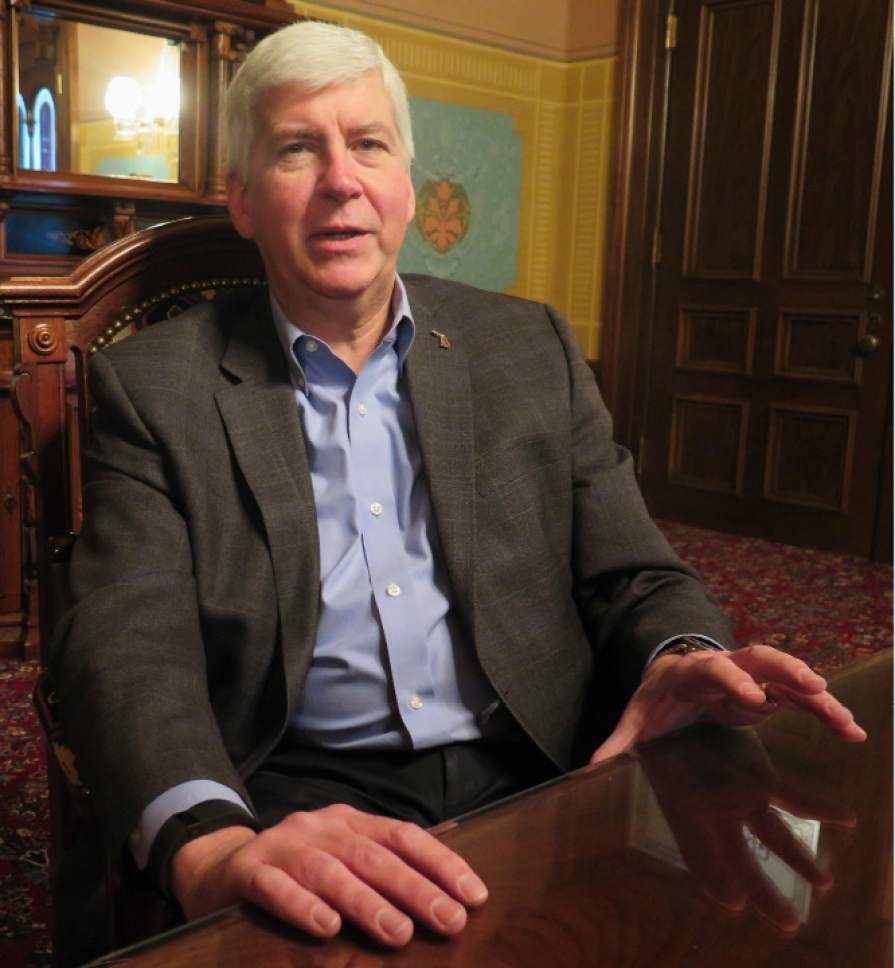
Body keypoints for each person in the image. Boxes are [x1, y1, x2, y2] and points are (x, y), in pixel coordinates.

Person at [49, 19, 865, 955]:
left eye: (367, 144)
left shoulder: (530, 347)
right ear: (239, 199)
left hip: (549, 758)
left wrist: (674, 655)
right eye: (295, 149)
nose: (341, 180)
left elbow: (635, 574)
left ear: (403, 182)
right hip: (298, 789)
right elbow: (123, 639)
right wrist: (212, 841)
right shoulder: (156, 387)